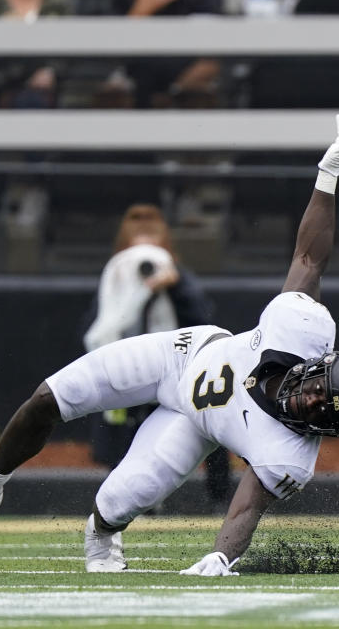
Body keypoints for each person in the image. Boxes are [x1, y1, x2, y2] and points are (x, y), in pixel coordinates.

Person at [0, 112, 339, 576]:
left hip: (193, 424)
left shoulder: (290, 457)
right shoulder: (301, 326)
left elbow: (245, 510)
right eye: (318, 388)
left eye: (320, 409)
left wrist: (221, 557)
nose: (308, 398)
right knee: (51, 396)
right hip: (185, 356)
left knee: (118, 501)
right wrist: (326, 178)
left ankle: (102, 539)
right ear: (321, 364)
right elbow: (309, 256)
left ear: (330, 429)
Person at [82, 204, 232, 506]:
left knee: (210, 423)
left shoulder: (180, 280)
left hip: (177, 372)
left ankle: (219, 499)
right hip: (132, 373)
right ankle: (122, 502)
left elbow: (205, 318)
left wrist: (175, 287)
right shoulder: (115, 286)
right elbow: (94, 330)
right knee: (121, 432)